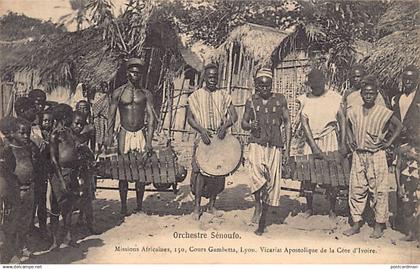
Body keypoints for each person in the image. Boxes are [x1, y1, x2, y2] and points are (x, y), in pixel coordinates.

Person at [343, 76, 402, 239]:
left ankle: (379, 225)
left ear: (376, 95)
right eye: (366, 93)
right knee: (356, 189)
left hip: (377, 155)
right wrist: (350, 139)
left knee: (379, 191)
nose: (368, 96)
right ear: (361, 94)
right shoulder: (354, 111)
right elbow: (346, 123)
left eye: (372, 93)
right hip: (359, 154)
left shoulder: (383, 112)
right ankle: (356, 223)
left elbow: (399, 126)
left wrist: (388, 142)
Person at [241, 68, 291, 235]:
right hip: (256, 144)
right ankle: (257, 205)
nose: (264, 89)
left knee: (271, 181)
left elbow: (287, 122)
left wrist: (287, 148)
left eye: (267, 85)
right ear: (256, 85)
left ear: (272, 85)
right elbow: (243, 123)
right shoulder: (251, 101)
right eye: (261, 86)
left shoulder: (280, 100)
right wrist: (250, 126)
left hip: (275, 145)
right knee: (256, 177)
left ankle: (265, 213)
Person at [187, 63, 238, 220]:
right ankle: (196, 208)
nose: (212, 79)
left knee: (218, 171)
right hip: (203, 138)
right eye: (209, 76)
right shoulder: (195, 96)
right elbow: (190, 118)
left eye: (215, 77)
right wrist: (201, 130)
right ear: (204, 77)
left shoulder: (224, 95)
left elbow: (234, 116)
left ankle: (212, 206)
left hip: (220, 138)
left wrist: (225, 126)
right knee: (200, 172)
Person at [106, 58, 156, 216]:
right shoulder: (118, 93)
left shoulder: (146, 94)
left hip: (140, 132)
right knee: (123, 169)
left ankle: (139, 206)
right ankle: (123, 206)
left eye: (138, 73)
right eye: (133, 72)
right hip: (124, 133)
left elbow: (152, 118)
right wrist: (109, 136)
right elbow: (111, 116)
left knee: (140, 169)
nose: (136, 75)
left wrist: (148, 141)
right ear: (128, 73)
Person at [299, 69, 346, 218]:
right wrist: (313, 146)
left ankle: (332, 208)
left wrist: (343, 143)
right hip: (311, 140)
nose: (315, 89)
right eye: (313, 86)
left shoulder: (334, 98)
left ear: (323, 84)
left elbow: (342, 121)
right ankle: (309, 207)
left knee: (332, 176)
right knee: (308, 175)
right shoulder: (304, 99)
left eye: (318, 86)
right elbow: (304, 124)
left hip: (329, 138)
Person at [392, 65, 420, 244]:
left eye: (411, 78)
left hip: (417, 147)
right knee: (403, 185)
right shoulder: (398, 98)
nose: (407, 81)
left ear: (416, 79)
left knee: (416, 189)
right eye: (405, 78)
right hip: (402, 146)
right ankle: (406, 228)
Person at [49, 104, 82, 249]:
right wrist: (61, 179)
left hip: (72, 173)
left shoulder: (70, 133)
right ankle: (55, 240)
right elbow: (54, 159)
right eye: (70, 116)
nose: (71, 118)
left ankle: (68, 237)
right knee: (57, 207)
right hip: (59, 174)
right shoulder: (55, 135)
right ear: (64, 117)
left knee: (69, 207)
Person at [8, 117, 38, 258]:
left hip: (29, 189)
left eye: (28, 133)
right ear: (12, 133)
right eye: (22, 133)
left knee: (25, 221)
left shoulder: (28, 148)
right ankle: (14, 252)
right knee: (14, 222)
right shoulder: (9, 150)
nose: (26, 136)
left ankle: (23, 246)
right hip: (16, 192)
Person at [71, 111, 98, 235]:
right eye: (76, 124)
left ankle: (90, 224)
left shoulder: (84, 138)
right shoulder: (66, 137)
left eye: (81, 125)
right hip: (71, 172)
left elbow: (91, 156)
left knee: (86, 196)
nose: (79, 127)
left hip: (83, 171)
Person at [0, 117, 20, 263]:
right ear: (8, 132)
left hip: (8, 187)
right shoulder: (5, 144)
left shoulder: (8, 143)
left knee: (9, 219)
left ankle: (9, 252)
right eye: (14, 131)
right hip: (3, 185)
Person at [92, 82, 110, 152]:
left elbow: (108, 106)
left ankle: (105, 149)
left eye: (107, 87)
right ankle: (99, 149)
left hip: (105, 118)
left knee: (105, 132)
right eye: (105, 87)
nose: (106, 88)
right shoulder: (98, 96)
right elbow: (95, 106)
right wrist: (97, 113)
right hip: (98, 118)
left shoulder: (108, 96)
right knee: (99, 133)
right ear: (102, 88)